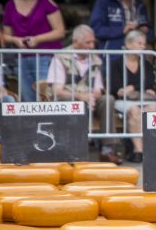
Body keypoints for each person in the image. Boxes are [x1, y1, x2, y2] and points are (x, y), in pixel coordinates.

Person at [47, 24, 122, 164]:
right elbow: (57, 92)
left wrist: (94, 96)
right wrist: (81, 97)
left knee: (108, 99)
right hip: (67, 98)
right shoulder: (61, 57)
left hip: (88, 98)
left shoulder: (95, 59)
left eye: (93, 42)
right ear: (76, 42)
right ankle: (76, 149)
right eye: (88, 42)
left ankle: (107, 149)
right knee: (76, 103)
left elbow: (99, 88)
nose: (92, 46)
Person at [2, 0, 65, 103]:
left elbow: (60, 31)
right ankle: (31, 125)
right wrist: (15, 40)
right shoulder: (10, 5)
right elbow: (5, 36)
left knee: (44, 96)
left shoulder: (46, 2)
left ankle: (48, 124)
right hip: (22, 57)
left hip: (45, 56)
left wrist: (37, 39)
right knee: (27, 99)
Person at [108, 29, 156, 163]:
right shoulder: (116, 64)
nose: (143, 47)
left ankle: (145, 150)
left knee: (152, 110)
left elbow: (150, 82)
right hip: (124, 101)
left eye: (144, 44)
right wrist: (140, 86)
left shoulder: (147, 64)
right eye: (139, 43)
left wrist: (132, 87)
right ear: (129, 44)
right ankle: (139, 150)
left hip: (144, 99)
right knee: (134, 111)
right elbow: (115, 89)